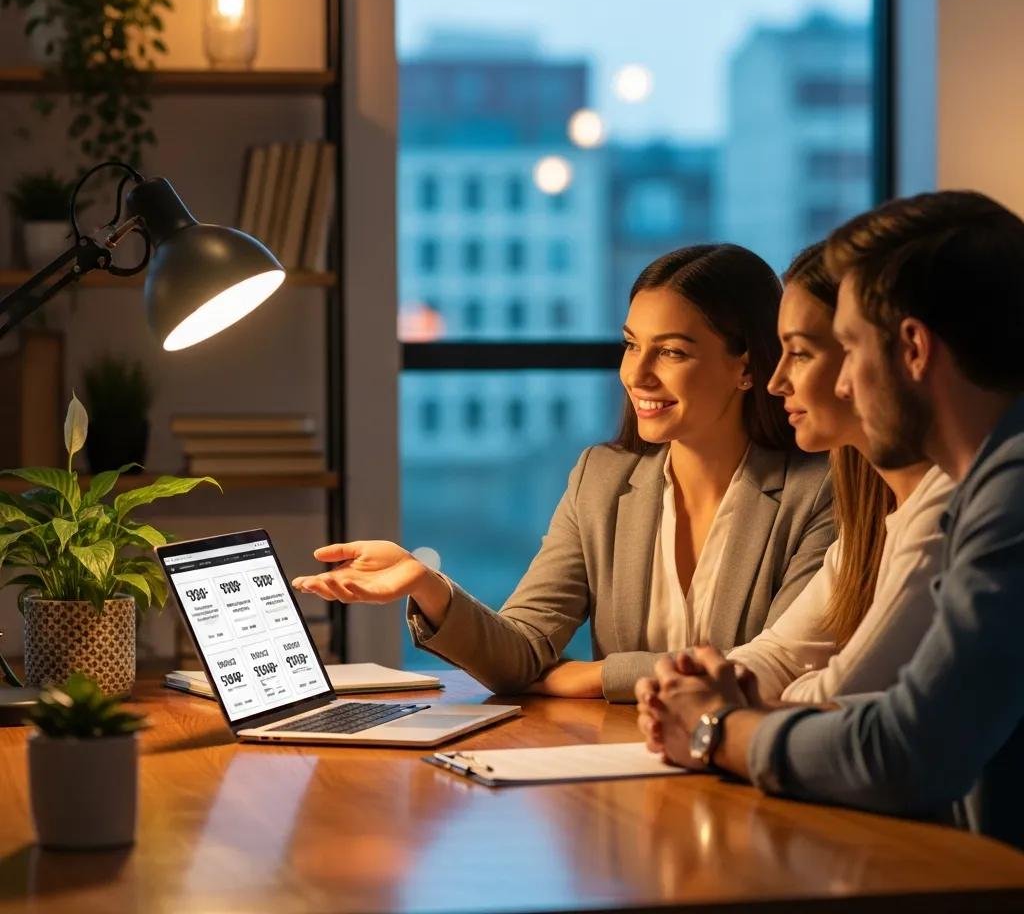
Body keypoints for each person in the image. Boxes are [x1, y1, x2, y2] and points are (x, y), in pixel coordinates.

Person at [636, 190, 1024, 849]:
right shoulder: (984, 487)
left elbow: (910, 746)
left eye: (847, 347)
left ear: (913, 348)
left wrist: (718, 729)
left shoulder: (1010, 493)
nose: (842, 385)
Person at [293, 244, 834, 702]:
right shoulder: (602, 478)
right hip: (623, 778)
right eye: (630, 345)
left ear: (746, 365)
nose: (637, 374)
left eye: (670, 351)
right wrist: (427, 584)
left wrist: (591, 677)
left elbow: (771, 669)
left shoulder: (819, 490)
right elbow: (522, 652)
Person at [727, 243, 955, 703]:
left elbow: (844, 694)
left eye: (802, 353)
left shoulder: (948, 506)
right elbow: (780, 654)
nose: (775, 382)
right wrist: (703, 681)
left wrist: (722, 702)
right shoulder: (870, 515)